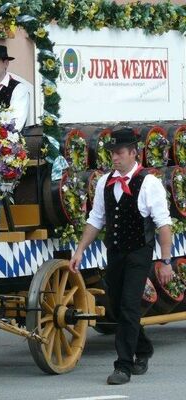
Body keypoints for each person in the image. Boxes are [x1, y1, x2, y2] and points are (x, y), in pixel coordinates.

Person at [68, 127, 173, 385]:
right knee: (116, 306)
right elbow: (96, 220)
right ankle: (144, 347)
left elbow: (163, 224)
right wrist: (80, 249)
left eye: (119, 153)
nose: (114, 158)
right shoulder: (105, 182)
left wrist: (166, 261)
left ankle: (123, 366)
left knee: (128, 305)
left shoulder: (150, 183)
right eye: (112, 153)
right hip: (114, 253)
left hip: (139, 252)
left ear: (133, 153)